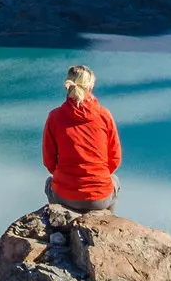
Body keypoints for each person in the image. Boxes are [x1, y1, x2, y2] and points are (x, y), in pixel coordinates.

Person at [43, 64, 121, 212]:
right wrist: (96, 177)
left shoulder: (55, 117)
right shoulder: (104, 115)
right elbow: (115, 158)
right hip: (99, 198)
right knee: (115, 181)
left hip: (64, 196)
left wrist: (67, 178)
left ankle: (57, 230)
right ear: (90, 87)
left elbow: (49, 160)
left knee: (49, 183)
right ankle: (107, 223)